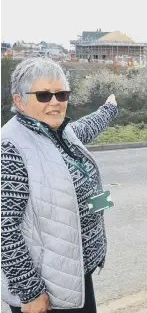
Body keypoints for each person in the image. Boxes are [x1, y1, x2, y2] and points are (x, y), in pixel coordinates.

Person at [1, 57, 118, 313]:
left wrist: (108, 110)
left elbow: (83, 129)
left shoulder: (56, 131)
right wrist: (30, 291)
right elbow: (4, 229)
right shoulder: (10, 147)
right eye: (43, 95)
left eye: (61, 94)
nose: (55, 102)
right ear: (19, 101)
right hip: (46, 290)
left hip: (72, 275)